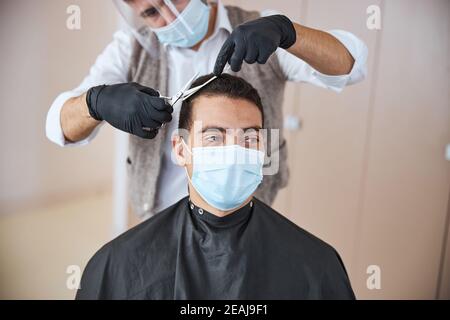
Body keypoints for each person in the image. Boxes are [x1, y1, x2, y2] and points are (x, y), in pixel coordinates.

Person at [46, 0, 368, 218]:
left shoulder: (261, 32)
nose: (171, 18)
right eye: (152, 12)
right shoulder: (129, 50)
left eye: (176, 0)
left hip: (248, 216)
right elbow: (57, 125)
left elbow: (351, 67)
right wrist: (96, 102)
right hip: (161, 216)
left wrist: (288, 34)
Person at [75, 74, 355, 300]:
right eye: (213, 137)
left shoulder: (316, 266)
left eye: (249, 139)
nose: (233, 152)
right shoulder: (118, 266)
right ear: (181, 150)